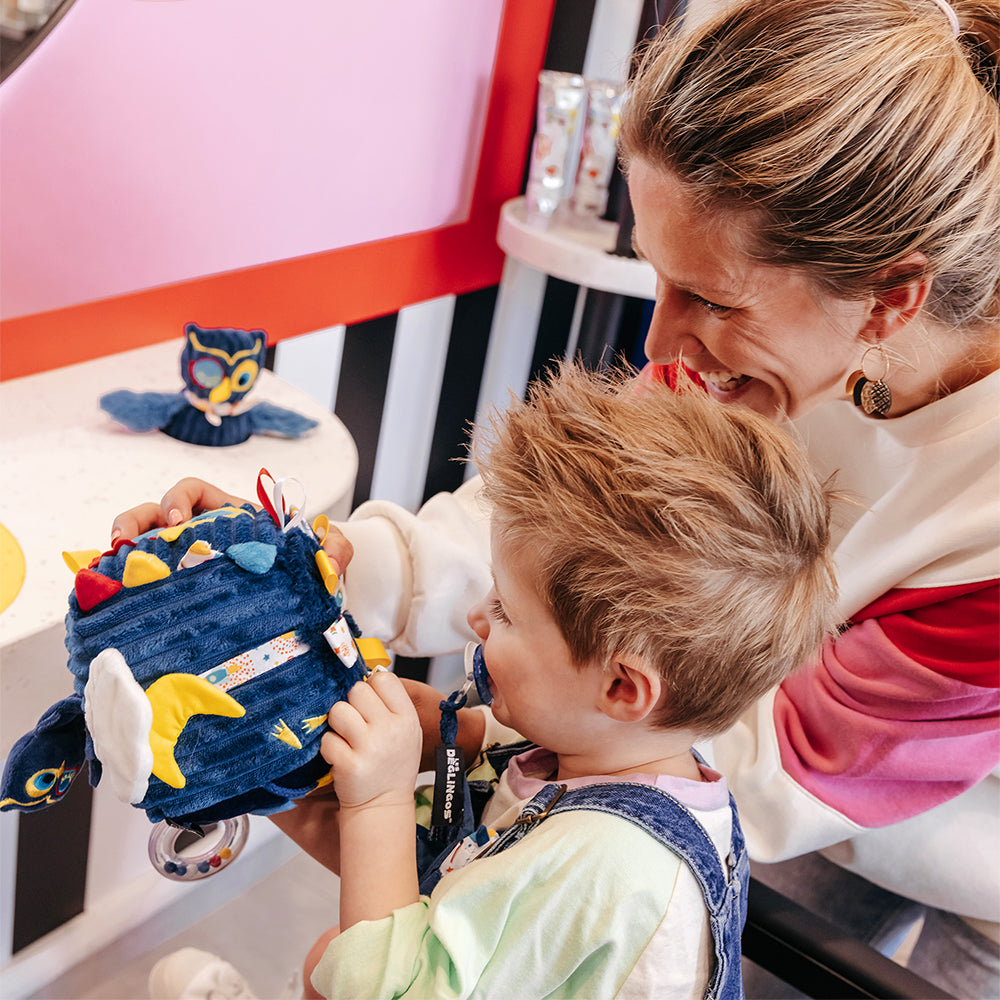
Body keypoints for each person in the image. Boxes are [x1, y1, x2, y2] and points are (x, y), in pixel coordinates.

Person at [122, 0, 999, 995]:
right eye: (662, 282)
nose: (663, 347)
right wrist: (318, 567)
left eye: (710, 298)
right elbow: (565, 528)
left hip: (943, 850)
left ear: (890, 297)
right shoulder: (725, 363)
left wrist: (429, 770)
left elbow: (774, 767)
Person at [149, 362, 839, 1000]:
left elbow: (395, 989)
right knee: (329, 957)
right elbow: (440, 803)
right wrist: (269, 741)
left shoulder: (609, 866)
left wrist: (379, 803)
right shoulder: (606, 744)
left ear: (623, 688)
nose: (477, 617)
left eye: (506, 609)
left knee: (342, 964)